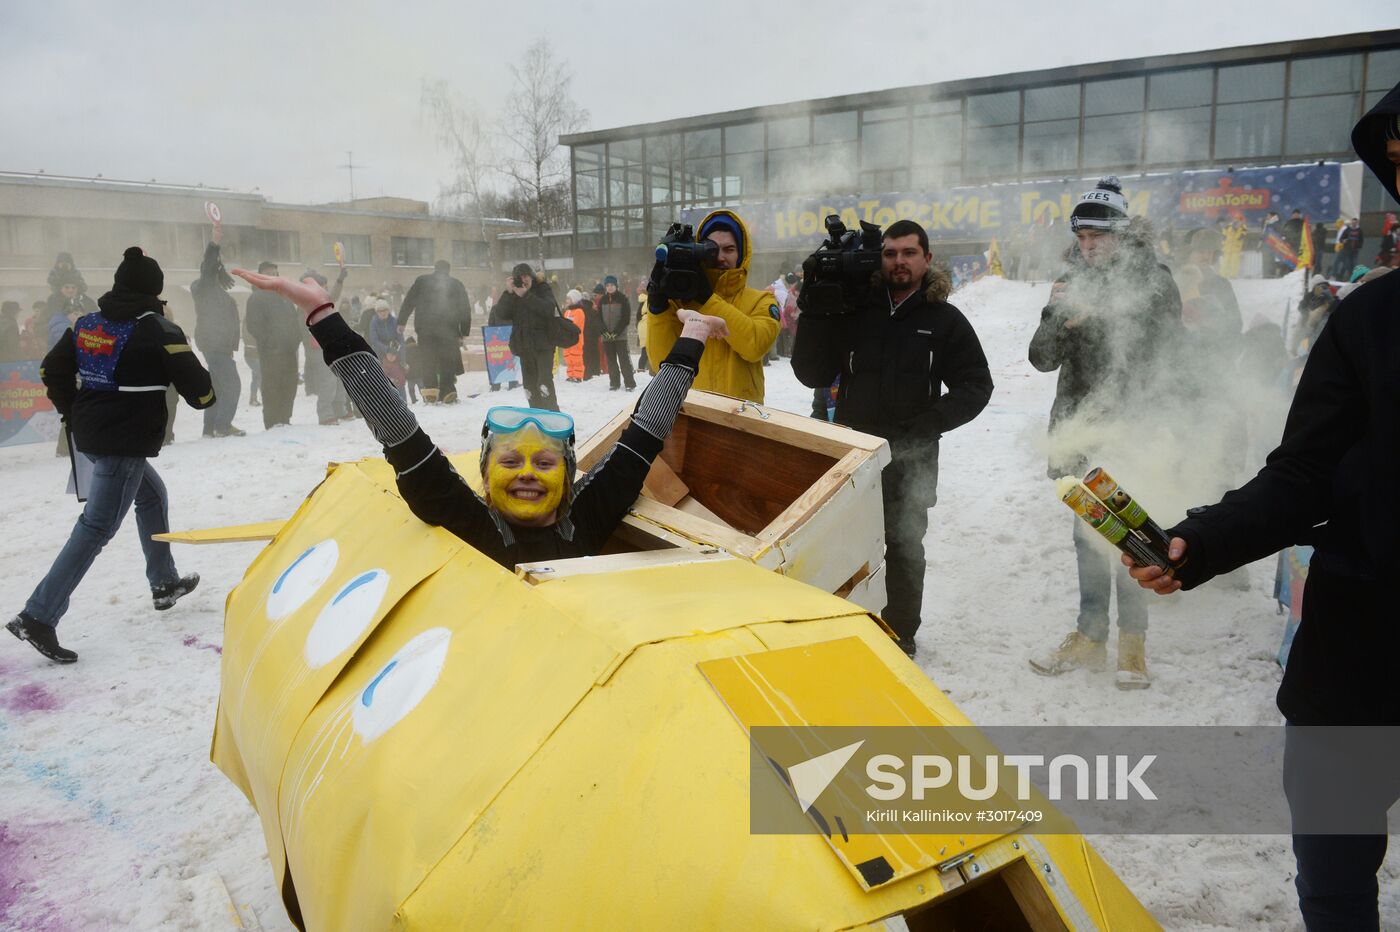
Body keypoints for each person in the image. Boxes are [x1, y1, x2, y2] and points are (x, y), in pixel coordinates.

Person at [1123, 87, 1400, 931]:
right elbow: (1304, 474)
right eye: (1395, 160)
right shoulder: (1373, 317)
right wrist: (1197, 541)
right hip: (1357, 653)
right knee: (1333, 877)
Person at [230, 266, 729, 567]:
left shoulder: (587, 519)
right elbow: (396, 428)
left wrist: (693, 338)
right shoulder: (470, 523)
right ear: (487, 479)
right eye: (511, 463)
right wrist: (324, 316)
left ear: (571, 477)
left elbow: (642, 436)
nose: (528, 474)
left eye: (545, 464)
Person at [792, 218, 993, 658]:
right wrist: (814, 308)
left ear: (927, 259)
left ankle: (900, 630)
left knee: (903, 548)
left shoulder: (944, 320)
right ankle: (844, 622)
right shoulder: (856, 311)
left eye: (908, 253)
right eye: (890, 253)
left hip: (911, 460)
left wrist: (926, 426)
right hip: (852, 457)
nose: (898, 262)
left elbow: (977, 385)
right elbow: (812, 372)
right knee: (844, 546)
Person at [6, 247, 211, 665]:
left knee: (151, 496)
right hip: (124, 442)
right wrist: (178, 342)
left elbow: (50, 370)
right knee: (96, 526)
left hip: (93, 435)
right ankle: (39, 615)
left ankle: (163, 582)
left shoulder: (87, 323)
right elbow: (204, 395)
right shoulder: (158, 330)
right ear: (154, 291)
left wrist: (74, 409)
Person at [1024, 178, 1184, 688]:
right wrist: (1056, 315)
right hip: (1079, 428)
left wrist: (1102, 316)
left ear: (1120, 234)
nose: (1087, 246)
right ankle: (1090, 636)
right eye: (1082, 236)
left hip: (1133, 426)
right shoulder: (1071, 279)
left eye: (1098, 236)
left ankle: (1132, 645)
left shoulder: (1153, 279)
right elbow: (1040, 359)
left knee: (1132, 538)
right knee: (1085, 535)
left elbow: (1167, 350)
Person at [645, 210, 781, 403]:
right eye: (712, 249)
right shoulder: (681, 304)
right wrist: (657, 308)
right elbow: (660, 363)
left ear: (742, 254)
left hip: (742, 419)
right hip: (695, 414)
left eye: (729, 249)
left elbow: (755, 346)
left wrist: (707, 299)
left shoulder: (762, 301)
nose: (720, 257)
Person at [191, 226, 245, 438]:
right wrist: (214, 245)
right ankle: (223, 426)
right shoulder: (203, 288)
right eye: (217, 269)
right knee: (232, 385)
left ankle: (210, 427)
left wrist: (231, 345)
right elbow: (207, 268)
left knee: (218, 387)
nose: (219, 271)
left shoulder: (218, 292)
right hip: (213, 344)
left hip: (219, 346)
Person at [397, 259, 471, 403]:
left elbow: (409, 301)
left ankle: (430, 392)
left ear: (435, 269)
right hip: (449, 330)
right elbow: (465, 309)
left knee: (428, 359)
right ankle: (447, 391)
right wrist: (464, 331)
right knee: (447, 360)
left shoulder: (421, 281)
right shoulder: (456, 284)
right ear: (448, 270)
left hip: (425, 329)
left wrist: (401, 321)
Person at [493, 263, 561, 411]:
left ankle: (553, 416)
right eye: (520, 277)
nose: (523, 280)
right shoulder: (513, 295)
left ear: (531, 276)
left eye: (526, 276)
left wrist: (526, 295)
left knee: (544, 383)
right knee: (529, 387)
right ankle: (537, 415)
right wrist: (508, 293)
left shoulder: (542, 288)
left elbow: (548, 309)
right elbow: (501, 314)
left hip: (543, 345)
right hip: (524, 347)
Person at [245, 260, 301, 429]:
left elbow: (293, 321)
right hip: (270, 352)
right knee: (272, 385)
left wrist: (295, 339)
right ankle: (273, 421)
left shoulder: (284, 297)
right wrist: (270, 342)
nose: (273, 276)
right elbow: (253, 325)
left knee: (290, 384)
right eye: (268, 273)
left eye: (275, 273)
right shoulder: (256, 297)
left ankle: (285, 418)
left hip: (289, 350)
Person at [597, 275, 636, 391]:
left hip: (620, 336)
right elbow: (598, 318)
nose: (609, 287)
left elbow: (626, 318)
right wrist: (604, 331)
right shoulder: (602, 300)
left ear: (616, 286)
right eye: (607, 285)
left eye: (612, 285)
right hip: (606, 336)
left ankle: (630, 383)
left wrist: (616, 332)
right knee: (611, 361)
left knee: (624, 360)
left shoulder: (623, 298)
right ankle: (614, 383)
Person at [562, 289, 587, 383]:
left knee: (576, 357)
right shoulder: (567, 312)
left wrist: (566, 328)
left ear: (574, 299)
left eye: (569, 298)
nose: (566, 300)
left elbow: (576, 325)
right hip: (567, 339)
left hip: (576, 339)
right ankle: (571, 375)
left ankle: (578, 375)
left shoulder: (579, 311)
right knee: (568, 356)